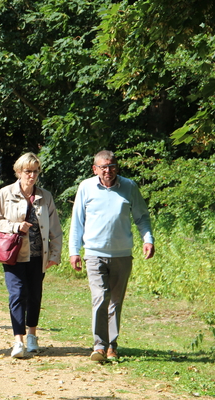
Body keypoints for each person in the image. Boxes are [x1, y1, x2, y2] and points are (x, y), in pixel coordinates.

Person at [69, 150, 155, 362]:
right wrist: (74, 251)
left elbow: (142, 217)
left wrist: (148, 239)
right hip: (94, 253)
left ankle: (111, 346)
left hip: (122, 254)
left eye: (112, 166)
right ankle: (99, 346)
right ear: (95, 169)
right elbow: (77, 222)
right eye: (104, 167)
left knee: (115, 301)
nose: (108, 170)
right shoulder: (86, 187)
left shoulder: (129, 187)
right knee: (100, 298)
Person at [0, 152, 62, 358]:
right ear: (19, 172)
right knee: (17, 295)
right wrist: (14, 226)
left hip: (39, 255)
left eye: (35, 171)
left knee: (34, 295)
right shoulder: (5, 193)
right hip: (13, 254)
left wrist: (55, 254)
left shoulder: (45, 196)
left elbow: (55, 229)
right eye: (27, 171)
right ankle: (18, 340)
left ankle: (32, 336)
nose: (32, 175)